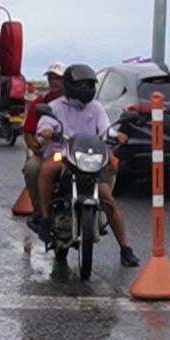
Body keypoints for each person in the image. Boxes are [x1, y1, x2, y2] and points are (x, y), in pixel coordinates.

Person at [35, 63, 140, 267]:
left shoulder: (96, 108)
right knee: (47, 169)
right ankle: (46, 218)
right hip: (64, 155)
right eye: (80, 84)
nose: (84, 88)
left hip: (89, 157)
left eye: (88, 84)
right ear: (70, 85)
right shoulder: (55, 106)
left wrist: (116, 134)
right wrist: (47, 131)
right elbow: (45, 125)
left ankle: (125, 248)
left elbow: (106, 130)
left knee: (107, 197)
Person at [21, 61, 67, 230]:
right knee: (32, 168)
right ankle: (40, 211)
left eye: (58, 78)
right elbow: (28, 131)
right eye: (51, 78)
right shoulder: (42, 103)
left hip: (73, 153)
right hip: (49, 153)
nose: (54, 82)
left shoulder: (78, 103)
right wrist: (34, 145)